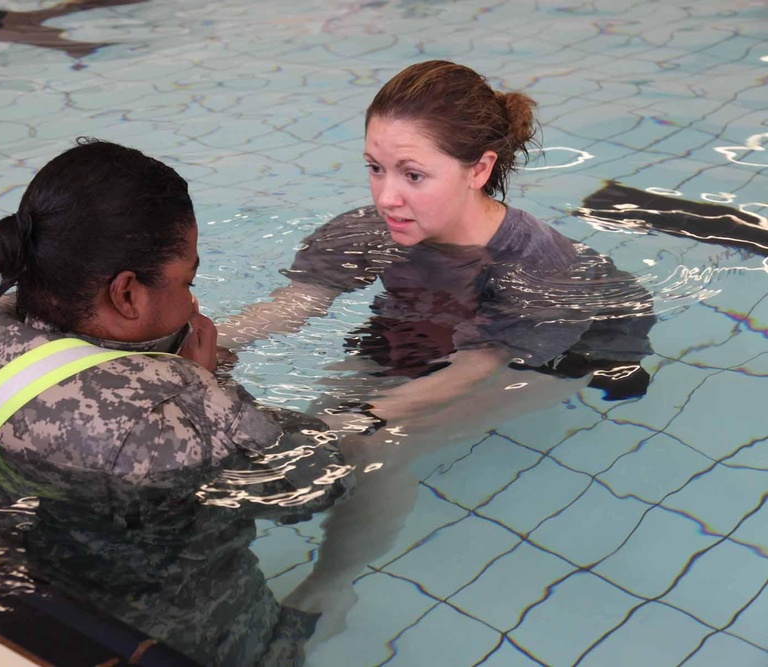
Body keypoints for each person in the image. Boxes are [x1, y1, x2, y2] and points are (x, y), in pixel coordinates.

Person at [218, 60, 655, 644]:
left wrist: (368, 416)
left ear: (479, 169)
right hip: (429, 330)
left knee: (376, 446)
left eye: (412, 175)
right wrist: (196, 342)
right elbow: (298, 301)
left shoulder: (532, 264)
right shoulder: (380, 227)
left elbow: (480, 363)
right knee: (307, 427)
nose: (387, 196)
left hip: (558, 349)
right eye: (375, 168)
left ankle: (331, 590)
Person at [0, 138, 350, 666]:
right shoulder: (165, 419)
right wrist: (197, 383)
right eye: (188, 280)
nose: (194, 301)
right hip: (162, 630)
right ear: (127, 293)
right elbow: (317, 485)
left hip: (7, 571)